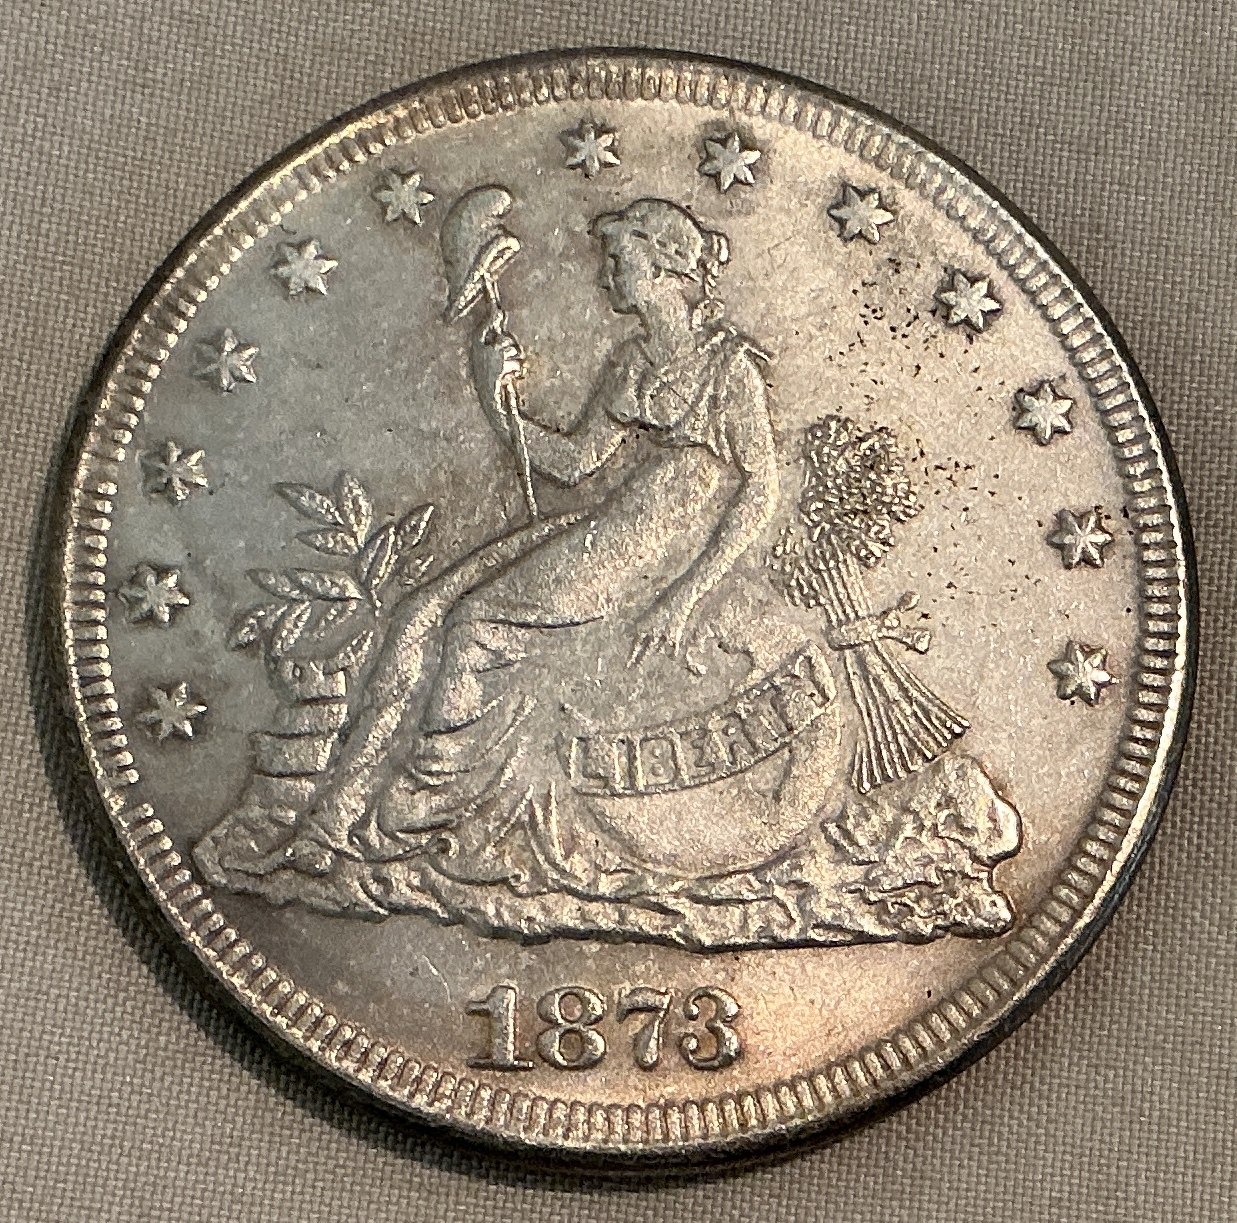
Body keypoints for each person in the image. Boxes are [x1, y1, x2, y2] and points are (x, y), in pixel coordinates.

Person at [285, 197, 780, 871]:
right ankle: (332, 819)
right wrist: (498, 403)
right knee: (417, 614)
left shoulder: (727, 370)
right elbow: (576, 464)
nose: (604, 273)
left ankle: (415, 813)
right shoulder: (633, 362)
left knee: (474, 623)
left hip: (647, 552)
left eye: (619, 259)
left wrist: (686, 596)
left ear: (665, 266)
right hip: (608, 531)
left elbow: (761, 490)